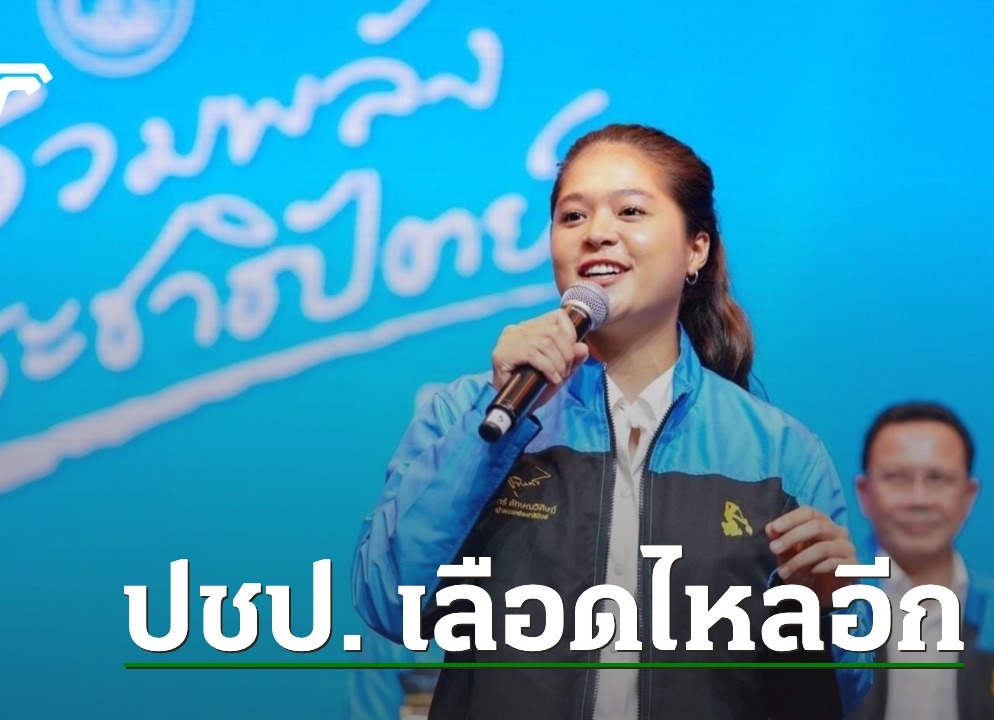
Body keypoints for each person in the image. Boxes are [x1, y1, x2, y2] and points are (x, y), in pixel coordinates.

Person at [352, 123, 872, 719]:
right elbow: (389, 602)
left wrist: (827, 612)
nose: (597, 233)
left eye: (630, 211)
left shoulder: (780, 455)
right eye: (573, 217)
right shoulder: (471, 414)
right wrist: (493, 428)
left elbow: (848, 692)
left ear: (696, 249)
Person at [848, 402, 994, 720]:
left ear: (969, 496)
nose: (919, 499)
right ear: (864, 493)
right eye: (897, 478)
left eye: (938, 479)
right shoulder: (828, 604)